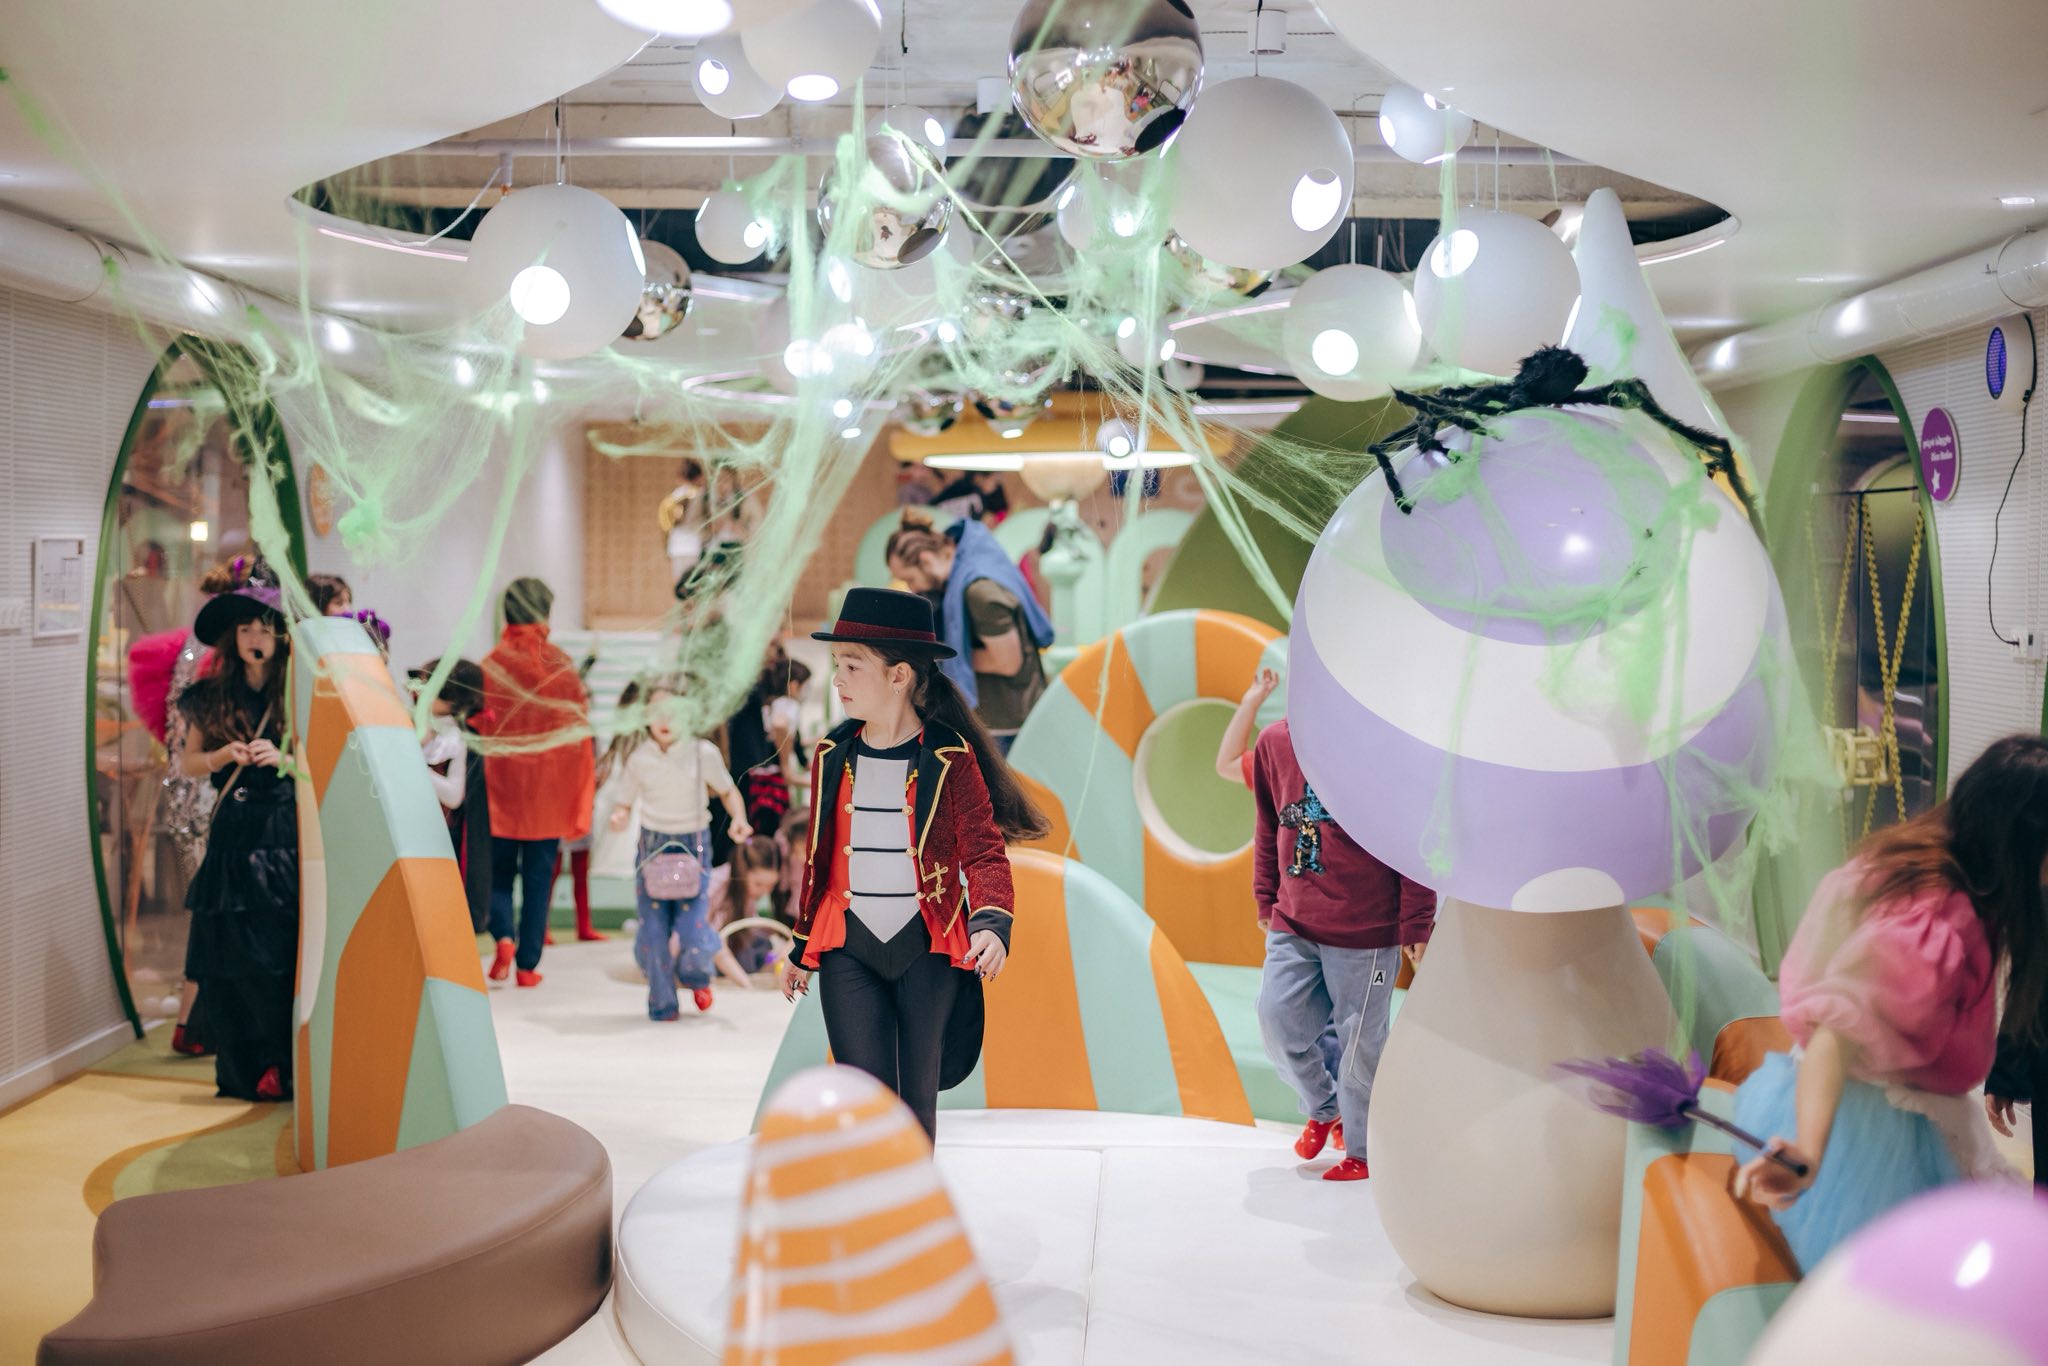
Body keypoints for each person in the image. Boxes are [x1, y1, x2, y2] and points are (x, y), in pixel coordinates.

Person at [1733, 734, 2048, 1269]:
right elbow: (1836, 1031)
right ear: (2020, 843)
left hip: (1883, 1109)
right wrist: (1810, 1149)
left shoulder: (1926, 864)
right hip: (1876, 1132)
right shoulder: (1935, 927)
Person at [782, 587, 1049, 1139]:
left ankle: (913, 1192)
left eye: (852, 666)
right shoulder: (831, 754)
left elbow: (984, 850)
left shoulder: (949, 757)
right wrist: (801, 946)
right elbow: (817, 859)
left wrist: (992, 923)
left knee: (914, 1104)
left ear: (899, 676)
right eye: (837, 665)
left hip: (927, 948)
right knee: (863, 1100)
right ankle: (872, 1193)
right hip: (848, 946)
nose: (837, 679)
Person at [1250, 717, 1436, 1182]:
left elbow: (1410, 839)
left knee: (1360, 1049)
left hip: (1366, 930)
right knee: (1276, 1020)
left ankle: (1364, 1151)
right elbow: (1268, 823)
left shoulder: (1383, 746)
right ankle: (1323, 1106)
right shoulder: (1274, 742)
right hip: (1294, 920)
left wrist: (1417, 920)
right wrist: (1264, 894)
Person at [174, 562, 299, 1102]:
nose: (255, 638)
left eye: (264, 628)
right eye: (245, 628)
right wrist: (224, 755)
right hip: (231, 835)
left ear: (281, 636)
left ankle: (280, 1064)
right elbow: (188, 764)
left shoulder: (300, 693)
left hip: (281, 833)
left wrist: (284, 759)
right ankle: (242, 1069)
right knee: (229, 957)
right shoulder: (212, 695)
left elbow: (326, 763)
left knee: (277, 953)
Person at [608, 682, 754, 1019]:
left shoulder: (703, 753)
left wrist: (739, 818)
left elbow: (727, 791)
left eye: (674, 713)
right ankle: (662, 1004)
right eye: (657, 712)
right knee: (653, 931)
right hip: (652, 847)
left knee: (692, 928)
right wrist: (619, 816)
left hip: (693, 846)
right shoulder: (639, 758)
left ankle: (696, 976)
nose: (665, 720)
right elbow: (623, 802)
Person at [475, 577, 594, 988]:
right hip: (546, 794)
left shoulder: (490, 664)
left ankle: (503, 939)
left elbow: (478, 724)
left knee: (498, 875)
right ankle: (527, 966)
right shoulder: (560, 665)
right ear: (544, 612)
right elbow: (577, 732)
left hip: (500, 791)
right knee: (539, 882)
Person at [884, 510, 1053, 754]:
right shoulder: (962, 577)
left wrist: (940, 657)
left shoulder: (979, 591)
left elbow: (1007, 662)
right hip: (999, 716)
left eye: (910, 579)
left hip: (1007, 722)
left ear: (926, 560)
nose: (913, 588)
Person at [412, 658, 492, 934]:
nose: (420, 690)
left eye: (428, 685)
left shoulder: (456, 738)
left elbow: (454, 795)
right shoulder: (421, 726)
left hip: (437, 839)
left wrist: (413, 763)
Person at [707, 835, 789, 973]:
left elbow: (752, 926)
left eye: (771, 886)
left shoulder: (748, 893)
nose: (765, 891)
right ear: (743, 870)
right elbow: (711, 941)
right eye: (759, 884)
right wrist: (746, 984)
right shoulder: (715, 884)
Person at [1215, 667, 1281, 786]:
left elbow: (1227, 765)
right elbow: (1228, 764)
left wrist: (1250, 705)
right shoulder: (1285, 758)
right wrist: (1249, 704)